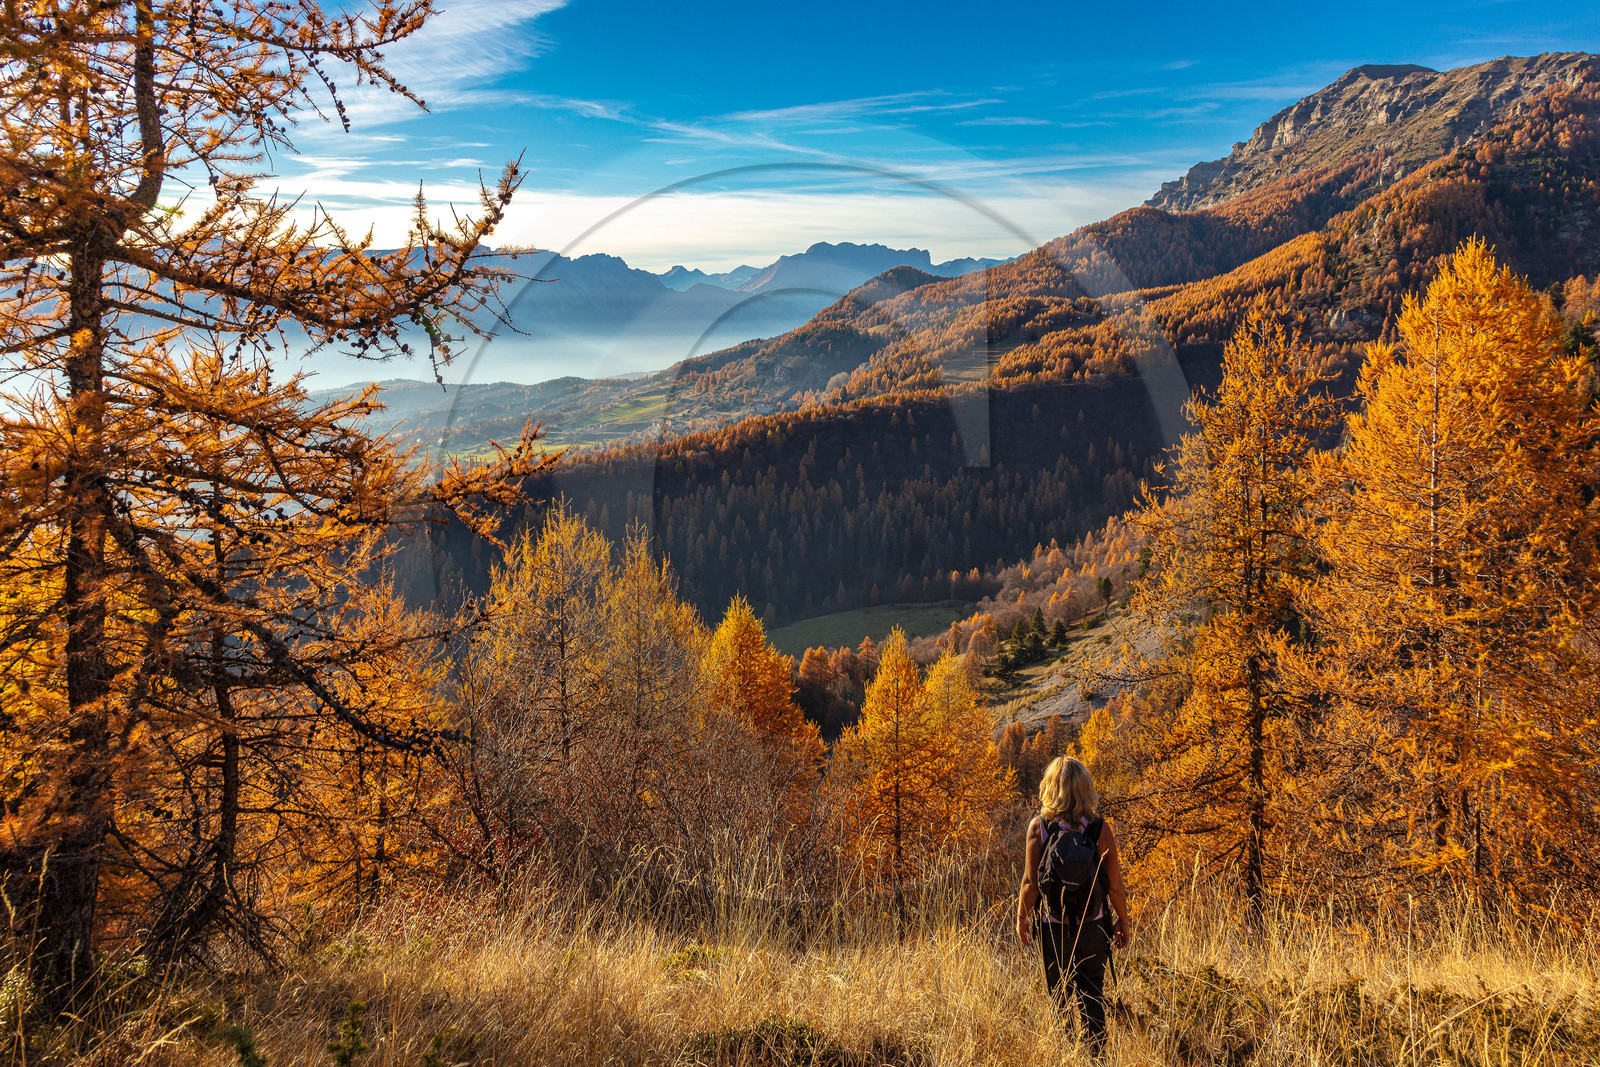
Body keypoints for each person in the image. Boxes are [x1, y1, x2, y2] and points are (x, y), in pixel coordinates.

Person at [1017, 756, 1132, 1053]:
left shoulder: (1039, 826)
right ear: (1085, 789)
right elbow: (1115, 885)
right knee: (1092, 992)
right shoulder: (1098, 828)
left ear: (1050, 787)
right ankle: (1097, 1056)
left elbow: (1031, 884)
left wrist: (1022, 917)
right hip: (1093, 926)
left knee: (1059, 995)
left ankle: (1064, 1053)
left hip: (1054, 929)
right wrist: (1123, 920)